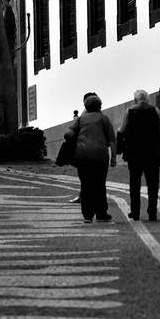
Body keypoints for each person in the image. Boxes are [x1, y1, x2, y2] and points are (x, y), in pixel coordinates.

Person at [64, 93, 117, 222]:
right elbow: (112, 140)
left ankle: (87, 216)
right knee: (100, 184)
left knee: (86, 185)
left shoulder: (80, 119)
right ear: (100, 106)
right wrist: (114, 158)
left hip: (83, 156)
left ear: (86, 106)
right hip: (100, 156)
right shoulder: (104, 119)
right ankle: (101, 213)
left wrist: (78, 138)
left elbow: (68, 134)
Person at [118, 88, 160, 221]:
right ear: (148, 99)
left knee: (134, 183)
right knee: (153, 184)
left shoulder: (129, 111)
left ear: (135, 99)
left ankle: (135, 212)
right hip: (152, 152)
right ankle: (152, 212)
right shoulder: (155, 111)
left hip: (134, 153)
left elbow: (123, 130)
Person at [69, 92, 97, 203]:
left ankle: (84, 196)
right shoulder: (100, 115)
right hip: (98, 150)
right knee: (94, 176)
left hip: (85, 149)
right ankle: (92, 197)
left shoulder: (85, 114)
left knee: (85, 175)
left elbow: (71, 132)